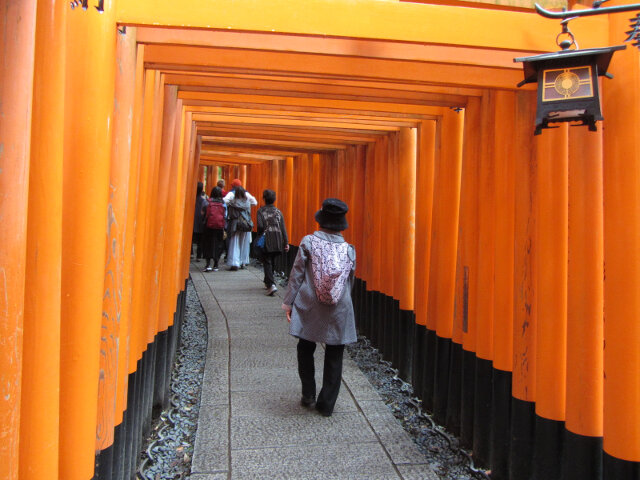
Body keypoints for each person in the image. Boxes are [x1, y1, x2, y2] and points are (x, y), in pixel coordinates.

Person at [281, 198, 356, 417]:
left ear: (321, 220)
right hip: (339, 306)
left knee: (305, 346)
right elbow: (349, 282)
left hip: (309, 303)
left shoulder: (308, 242)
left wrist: (288, 302)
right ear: (341, 223)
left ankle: (308, 394)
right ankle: (326, 405)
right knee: (335, 352)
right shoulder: (349, 250)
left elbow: (296, 275)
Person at [256, 189, 289, 296]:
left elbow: (260, 226)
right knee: (272, 260)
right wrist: (286, 242)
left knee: (267, 260)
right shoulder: (278, 212)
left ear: (264, 199)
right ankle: (267, 281)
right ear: (274, 200)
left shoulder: (261, 211)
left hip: (268, 239)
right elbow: (283, 227)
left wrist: (261, 233)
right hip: (278, 238)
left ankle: (271, 285)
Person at [225, 186, 256, 270]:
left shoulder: (232, 203)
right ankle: (243, 262)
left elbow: (231, 214)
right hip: (246, 224)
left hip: (235, 224)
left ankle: (235, 262)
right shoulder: (248, 203)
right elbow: (255, 202)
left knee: (234, 243)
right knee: (244, 244)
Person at [202, 187, 226, 272]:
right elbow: (225, 215)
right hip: (219, 226)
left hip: (209, 226)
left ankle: (208, 264)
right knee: (218, 244)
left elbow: (203, 213)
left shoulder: (207, 202)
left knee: (208, 244)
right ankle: (216, 265)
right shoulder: (223, 203)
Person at [192, 181, 208, 260]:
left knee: (191, 239)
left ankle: (190, 252)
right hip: (200, 222)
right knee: (200, 240)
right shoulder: (204, 201)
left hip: (191, 221)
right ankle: (199, 255)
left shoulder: (190, 199)